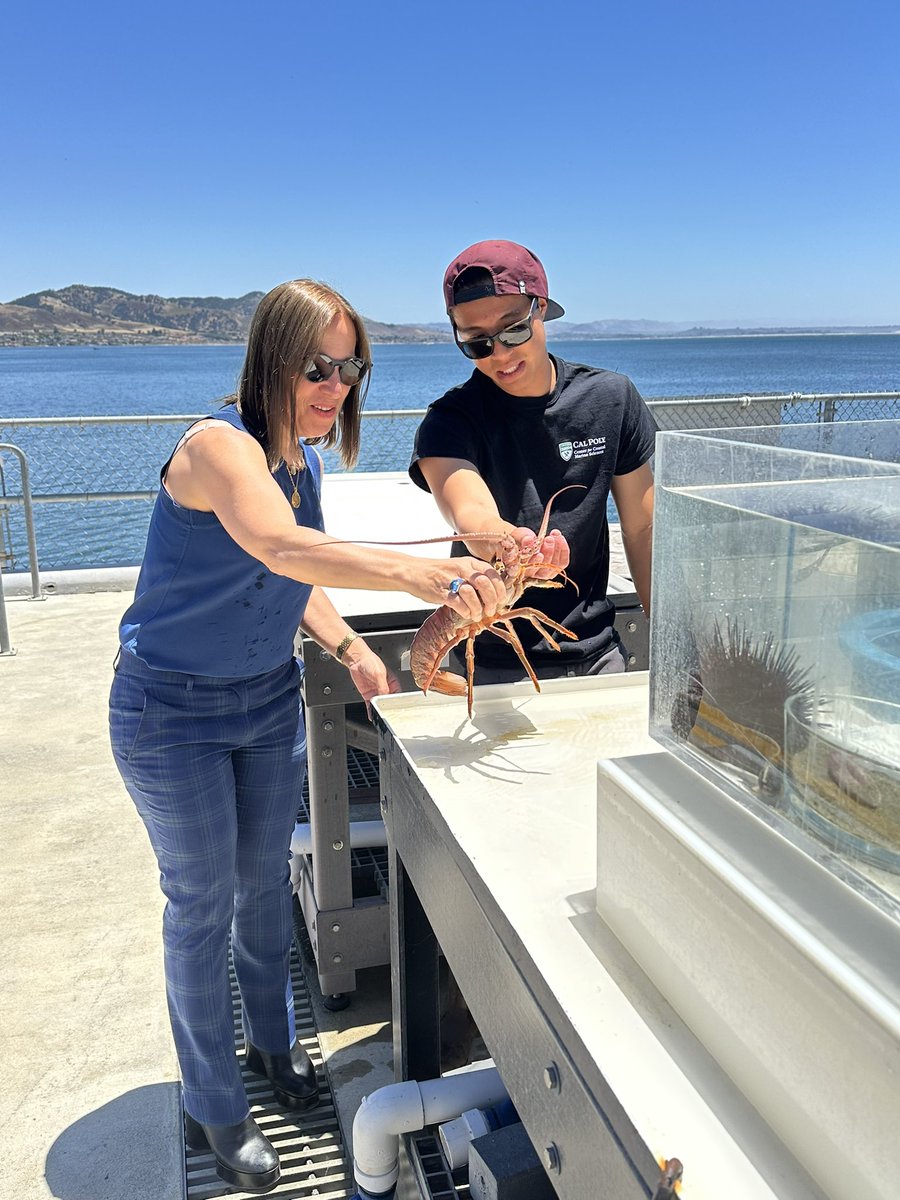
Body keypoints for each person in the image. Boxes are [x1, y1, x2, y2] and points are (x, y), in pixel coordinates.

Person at [108, 279, 513, 1194]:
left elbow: (295, 579)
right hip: (170, 713)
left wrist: (350, 650)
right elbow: (282, 547)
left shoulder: (305, 465)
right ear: (272, 361)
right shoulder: (218, 447)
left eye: (349, 368)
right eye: (316, 367)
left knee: (262, 890)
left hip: (263, 701)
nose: (335, 386)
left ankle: (274, 1046)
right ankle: (213, 1100)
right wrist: (426, 577)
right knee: (201, 905)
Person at [410, 239, 657, 688]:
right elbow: (470, 512)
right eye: (477, 343)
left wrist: (670, 633)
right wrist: (510, 542)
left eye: (513, 330)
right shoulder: (448, 421)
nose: (500, 354)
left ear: (540, 307)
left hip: (599, 653)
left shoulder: (611, 398)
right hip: (492, 667)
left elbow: (642, 529)